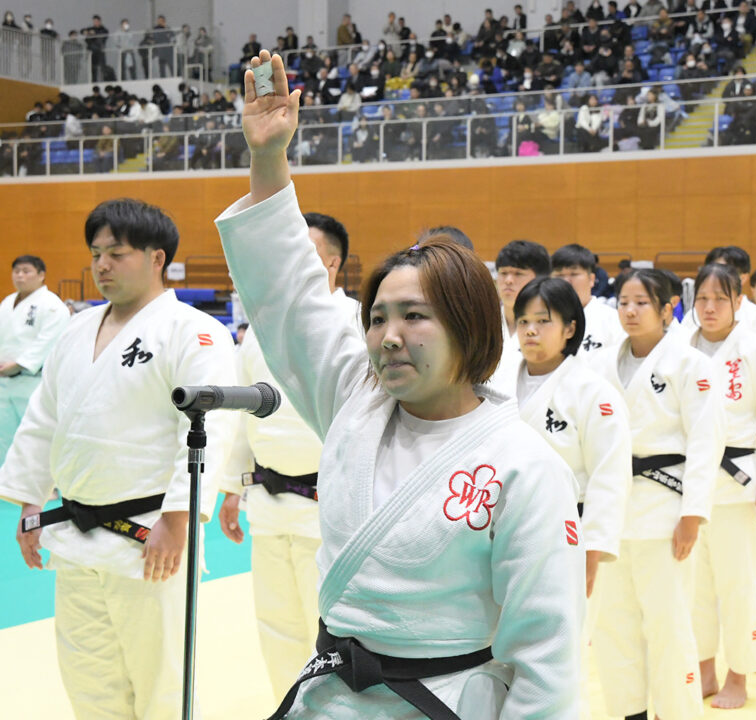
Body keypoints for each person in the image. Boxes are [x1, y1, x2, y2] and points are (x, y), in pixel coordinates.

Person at [214, 50, 584, 719]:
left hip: (444, 701)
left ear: (469, 325)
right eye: (378, 317)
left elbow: (548, 658)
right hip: (332, 697)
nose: (388, 336)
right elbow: (290, 295)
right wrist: (268, 158)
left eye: (414, 316)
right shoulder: (356, 402)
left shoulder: (524, 466)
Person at [0, 200, 237, 718]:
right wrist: (31, 503)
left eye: (116, 254)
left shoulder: (193, 331)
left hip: (149, 536)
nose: (102, 265)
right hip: (75, 534)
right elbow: (45, 418)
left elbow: (209, 430)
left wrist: (178, 519)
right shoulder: (76, 329)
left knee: (159, 684)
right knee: (89, 683)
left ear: (156, 258)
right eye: (96, 253)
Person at [217, 212, 361, 704]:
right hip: (268, 500)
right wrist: (231, 489)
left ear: (332, 263)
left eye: (304, 252)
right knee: (275, 623)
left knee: (332, 628)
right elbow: (244, 415)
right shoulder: (261, 328)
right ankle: (287, 710)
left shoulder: (357, 323)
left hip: (329, 506)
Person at [593, 268, 725, 720]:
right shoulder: (601, 364)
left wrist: (693, 514)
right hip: (612, 509)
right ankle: (628, 712)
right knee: (613, 624)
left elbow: (706, 441)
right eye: (623, 302)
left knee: (668, 624)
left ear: (668, 309)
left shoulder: (692, 365)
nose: (630, 311)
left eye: (641, 303)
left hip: (665, 507)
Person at [512, 276, 632, 720]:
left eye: (543, 321)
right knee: (502, 644)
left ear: (569, 328)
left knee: (563, 648)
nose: (530, 330)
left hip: (567, 533)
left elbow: (609, 475)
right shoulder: (496, 384)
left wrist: (592, 549)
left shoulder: (593, 392)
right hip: (504, 530)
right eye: (523, 320)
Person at [686, 263, 756, 709]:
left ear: (737, 302)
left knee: (738, 584)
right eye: (702, 299)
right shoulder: (679, 348)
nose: (709, 308)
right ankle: (704, 669)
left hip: (738, 482)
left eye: (719, 299)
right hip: (688, 482)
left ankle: (739, 675)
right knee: (694, 586)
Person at [0, 255, 70, 465]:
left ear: (41, 275)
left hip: (33, 382)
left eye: (26, 271)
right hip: (3, 382)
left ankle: (41, 481)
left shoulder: (52, 305)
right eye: (16, 271)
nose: (20, 276)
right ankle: (7, 480)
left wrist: (19, 364)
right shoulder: (7, 302)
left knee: (36, 438)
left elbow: (47, 340)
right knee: (2, 436)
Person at [489, 240, 551, 395]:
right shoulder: (483, 322)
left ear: (540, 279)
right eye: (503, 273)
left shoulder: (553, 328)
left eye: (518, 273)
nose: (508, 280)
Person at [551, 244, 626, 355]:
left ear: (591, 279)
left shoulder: (614, 321)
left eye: (574, 274)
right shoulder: (541, 320)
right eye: (559, 275)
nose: (566, 281)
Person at [680, 246, 756, 337]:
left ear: (743, 278)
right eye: (712, 270)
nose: (716, 276)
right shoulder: (693, 316)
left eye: (725, 272)